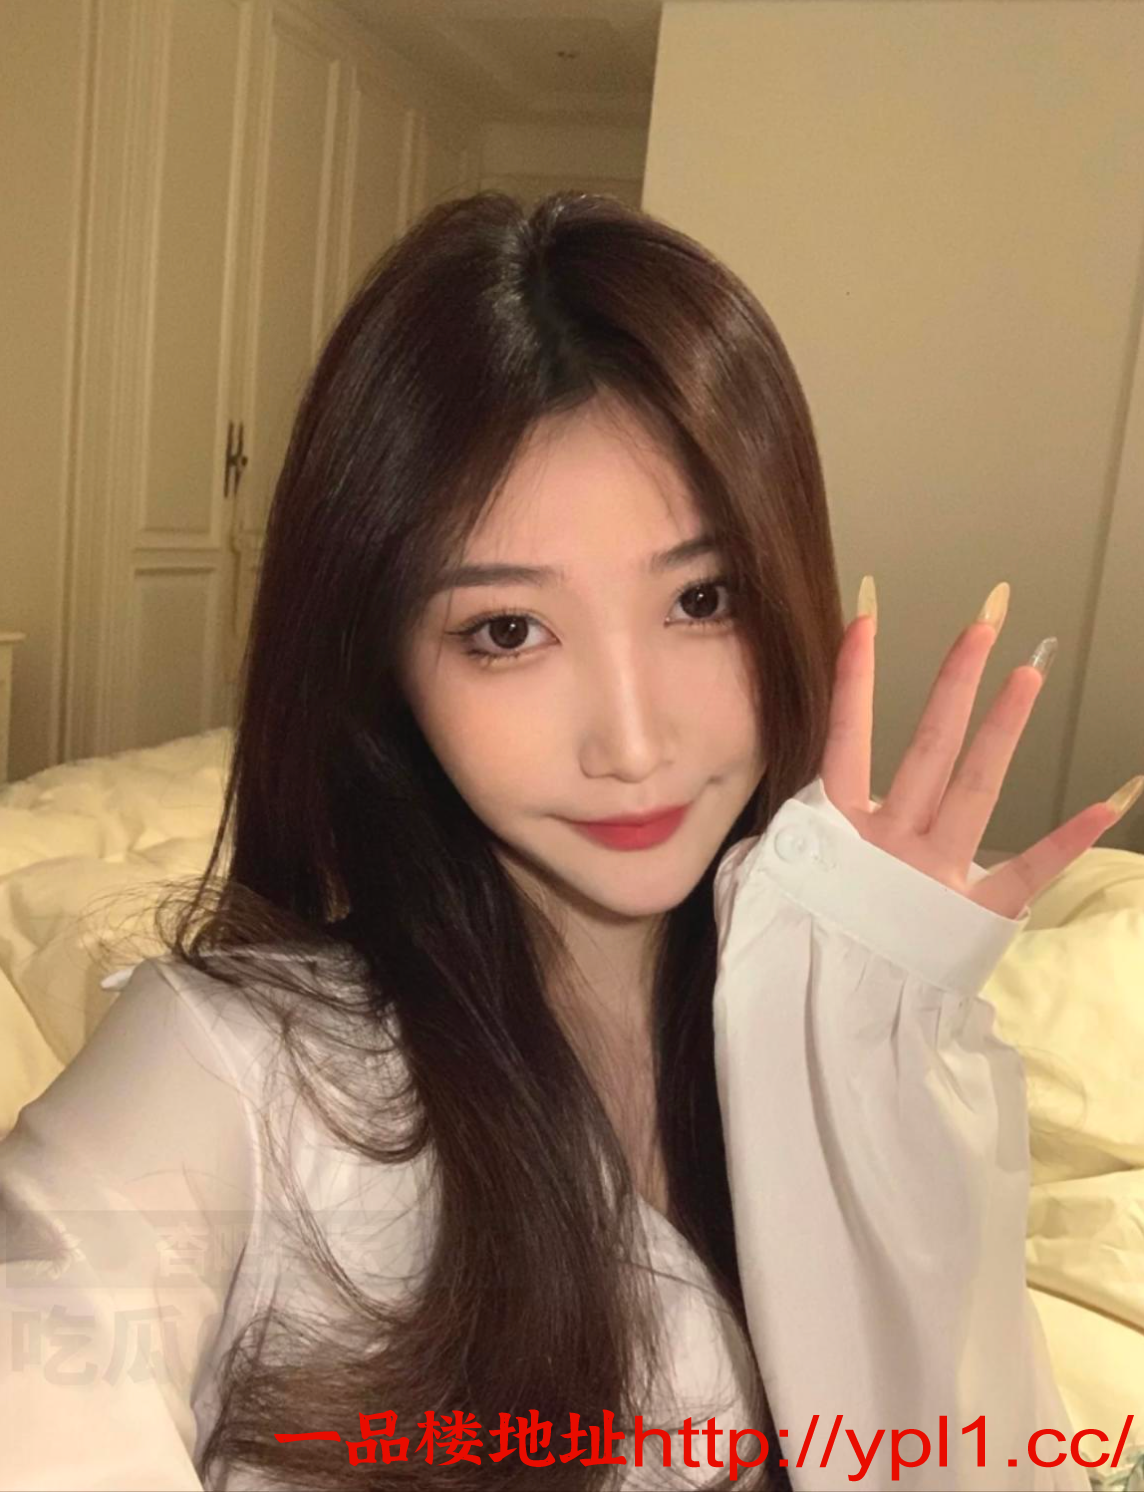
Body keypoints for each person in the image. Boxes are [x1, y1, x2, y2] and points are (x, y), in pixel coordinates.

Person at [1, 190, 1135, 1492]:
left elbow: (971, 1453)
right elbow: (45, 1322)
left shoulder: (861, 1038)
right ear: (383, 662)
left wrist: (885, 1065)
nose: (633, 743)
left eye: (701, 599)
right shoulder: (234, 1068)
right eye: (507, 631)